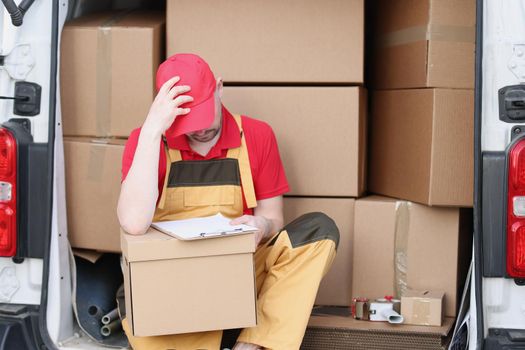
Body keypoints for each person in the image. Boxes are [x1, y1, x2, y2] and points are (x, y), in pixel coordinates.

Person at [117, 53, 339, 350]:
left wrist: (261, 224)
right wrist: (152, 131)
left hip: (240, 274)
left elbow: (273, 218)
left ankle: (253, 344)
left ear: (219, 88)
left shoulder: (257, 135)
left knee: (319, 230)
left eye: (203, 115)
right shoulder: (146, 141)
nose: (198, 130)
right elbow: (133, 223)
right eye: (187, 122)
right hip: (176, 285)